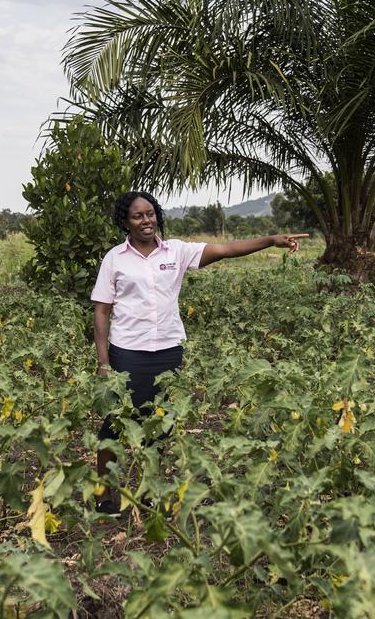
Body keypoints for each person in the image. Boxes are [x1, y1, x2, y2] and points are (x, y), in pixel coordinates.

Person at [90, 191, 306, 511]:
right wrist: (103, 361)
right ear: (125, 221)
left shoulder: (176, 251)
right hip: (127, 352)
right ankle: (104, 492)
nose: (146, 220)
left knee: (159, 424)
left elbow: (226, 249)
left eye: (150, 213)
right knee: (115, 422)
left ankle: (151, 491)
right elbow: (101, 311)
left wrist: (271, 239)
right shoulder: (115, 259)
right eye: (138, 216)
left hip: (168, 351)